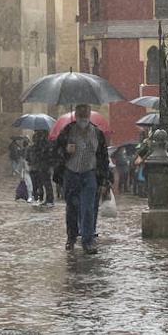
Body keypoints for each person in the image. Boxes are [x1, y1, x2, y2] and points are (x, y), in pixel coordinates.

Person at [53, 104, 109, 254]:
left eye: (86, 113)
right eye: (80, 113)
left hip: (89, 174)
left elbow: (103, 158)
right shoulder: (67, 131)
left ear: (89, 114)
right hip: (71, 174)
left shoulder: (97, 133)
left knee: (88, 208)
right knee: (72, 208)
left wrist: (104, 180)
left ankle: (87, 240)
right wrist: (65, 151)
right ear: (76, 114)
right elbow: (55, 151)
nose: (83, 116)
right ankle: (71, 237)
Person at [28, 130, 54, 207]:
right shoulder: (47, 142)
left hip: (43, 164)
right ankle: (49, 199)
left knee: (46, 182)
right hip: (45, 164)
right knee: (46, 183)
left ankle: (49, 199)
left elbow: (40, 152)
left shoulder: (42, 143)